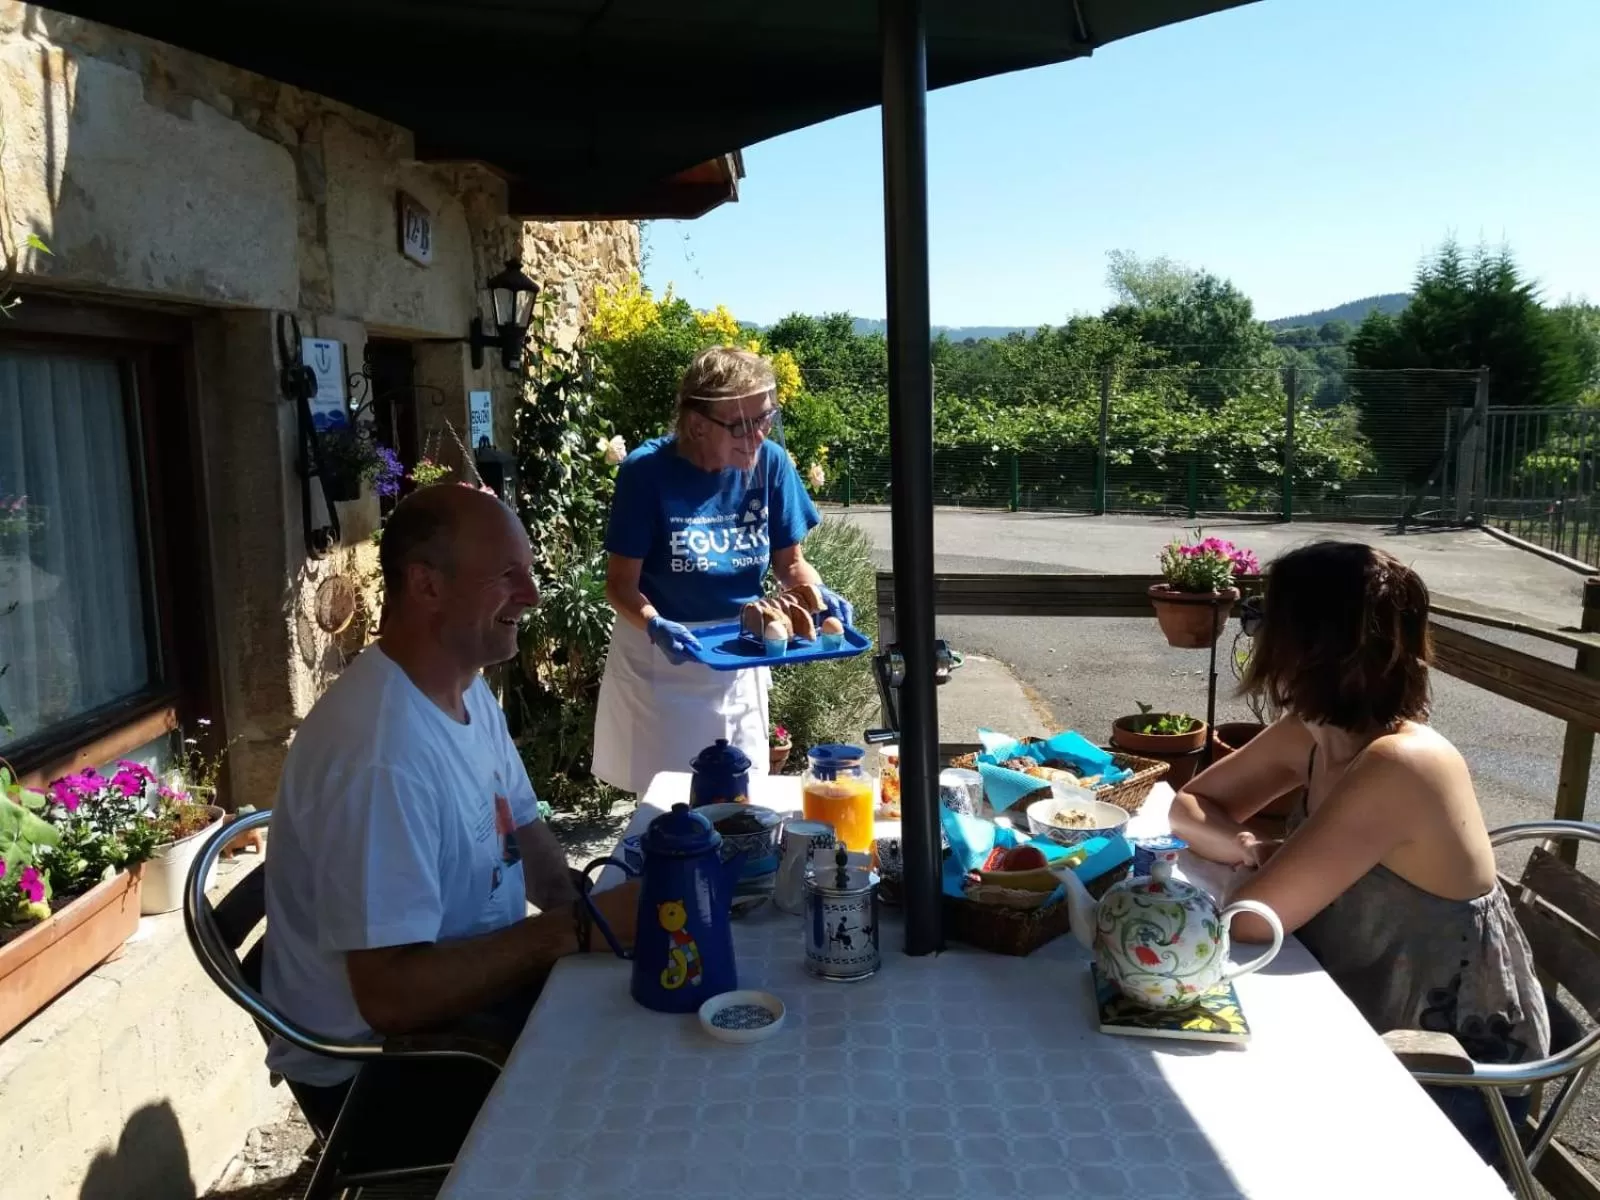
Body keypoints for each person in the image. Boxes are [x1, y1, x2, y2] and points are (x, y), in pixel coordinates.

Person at [261, 484, 638, 1164]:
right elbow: (392, 999)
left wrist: (597, 914)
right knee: (631, 1098)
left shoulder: (461, 690)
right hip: (385, 1074)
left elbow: (532, 841)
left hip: (457, 1016)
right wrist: (579, 931)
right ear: (427, 585)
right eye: (507, 576)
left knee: (643, 1016)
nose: (530, 595)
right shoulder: (381, 754)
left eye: (528, 572)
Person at [1169, 540, 1548, 1165]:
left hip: (1445, 1076)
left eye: (1262, 618)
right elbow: (1192, 805)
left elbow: (1251, 921)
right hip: (1353, 1022)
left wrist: (1263, 868)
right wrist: (1244, 843)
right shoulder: (1319, 732)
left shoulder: (1402, 764)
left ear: (1309, 644)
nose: (1253, 632)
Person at [593, 346, 851, 795]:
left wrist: (818, 593)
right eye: (743, 425)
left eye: (766, 418)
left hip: (740, 650)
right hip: (661, 663)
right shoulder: (647, 473)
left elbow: (791, 564)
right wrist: (655, 626)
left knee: (742, 799)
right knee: (668, 807)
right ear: (696, 425)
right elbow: (619, 586)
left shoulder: (770, 462)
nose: (758, 435)